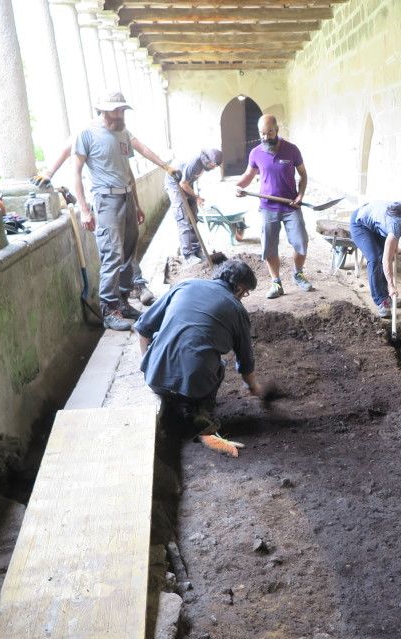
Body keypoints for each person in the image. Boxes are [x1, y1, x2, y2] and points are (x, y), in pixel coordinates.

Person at [135, 259, 265, 458]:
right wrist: (254, 387)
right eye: (245, 293)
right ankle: (203, 416)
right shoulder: (237, 310)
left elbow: (142, 328)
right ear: (239, 288)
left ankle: (175, 403)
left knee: (162, 340)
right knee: (218, 365)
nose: (243, 297)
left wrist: (147, 363)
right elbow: (245, 363)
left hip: (154, 378)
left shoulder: (185, 285)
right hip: (195, 386)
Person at [72, 91, 177, 330]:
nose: (120, 114)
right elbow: (76, 172)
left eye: (122, 110)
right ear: (103, 110)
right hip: (105, 199)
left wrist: (138, 202)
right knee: (112, 254)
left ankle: (123, 300)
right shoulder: (87, 133)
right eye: (116, 110)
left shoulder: (123, 133)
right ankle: (109, 310)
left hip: (127, 197)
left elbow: (130, 166)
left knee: (129, 251)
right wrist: (85, 210)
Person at [234, 115, 314, 299]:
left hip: (291, 206)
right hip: (268, 207)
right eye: (262, 133)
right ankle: (276, 283)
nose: (266, 137)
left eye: (269, 132)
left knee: (301, 242)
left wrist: (300, 195)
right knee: (269, 247)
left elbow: (303, 175)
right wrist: (239, 186)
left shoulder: (292, 150)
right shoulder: (256, 153)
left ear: (277, 130)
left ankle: (298, 273)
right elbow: (249, 174)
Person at [348, 202, 401, 317]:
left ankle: (387, 297)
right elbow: (386, 260)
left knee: (385, 254)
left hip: (377, 223)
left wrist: (394, 246)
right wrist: (391, 286)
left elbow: (395, 236)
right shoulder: (396, 225)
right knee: (376, 259)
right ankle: (381, 301)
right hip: (360, 224)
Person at [166, 147, 223, 262]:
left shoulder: (203, 165)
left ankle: (197, 250)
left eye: (216, 165)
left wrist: (196, 197)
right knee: (184, 219)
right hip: (175, 184)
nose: (214, 167)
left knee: (194, 218)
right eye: (214, 165)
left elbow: (189, 181)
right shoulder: (195, 163)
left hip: (186, 183)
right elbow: (183, 184)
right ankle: (188, 255)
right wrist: (196, 197)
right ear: (207, 160)